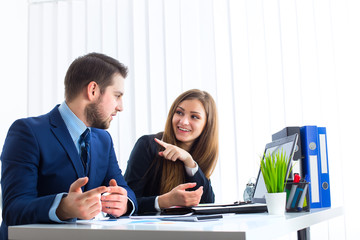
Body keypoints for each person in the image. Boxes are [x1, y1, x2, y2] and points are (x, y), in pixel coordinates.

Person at [0, 53, 137, 240]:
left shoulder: (104, 139)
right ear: (93, 90)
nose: (120, 106)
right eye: (117, 96)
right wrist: (62, 207)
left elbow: (124, 189)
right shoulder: (28, 132)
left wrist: (124, 203)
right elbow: (13, 210)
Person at [124, 89, 218, 213]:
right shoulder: (148, 145)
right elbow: (127, 203)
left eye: (194, 117)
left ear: (207, 125)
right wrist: (165, 201)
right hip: (148, 230)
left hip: (184, 230)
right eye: (179, 112)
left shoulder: (199, 156)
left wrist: (189, 162)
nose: (183, 121)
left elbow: (207, 204)